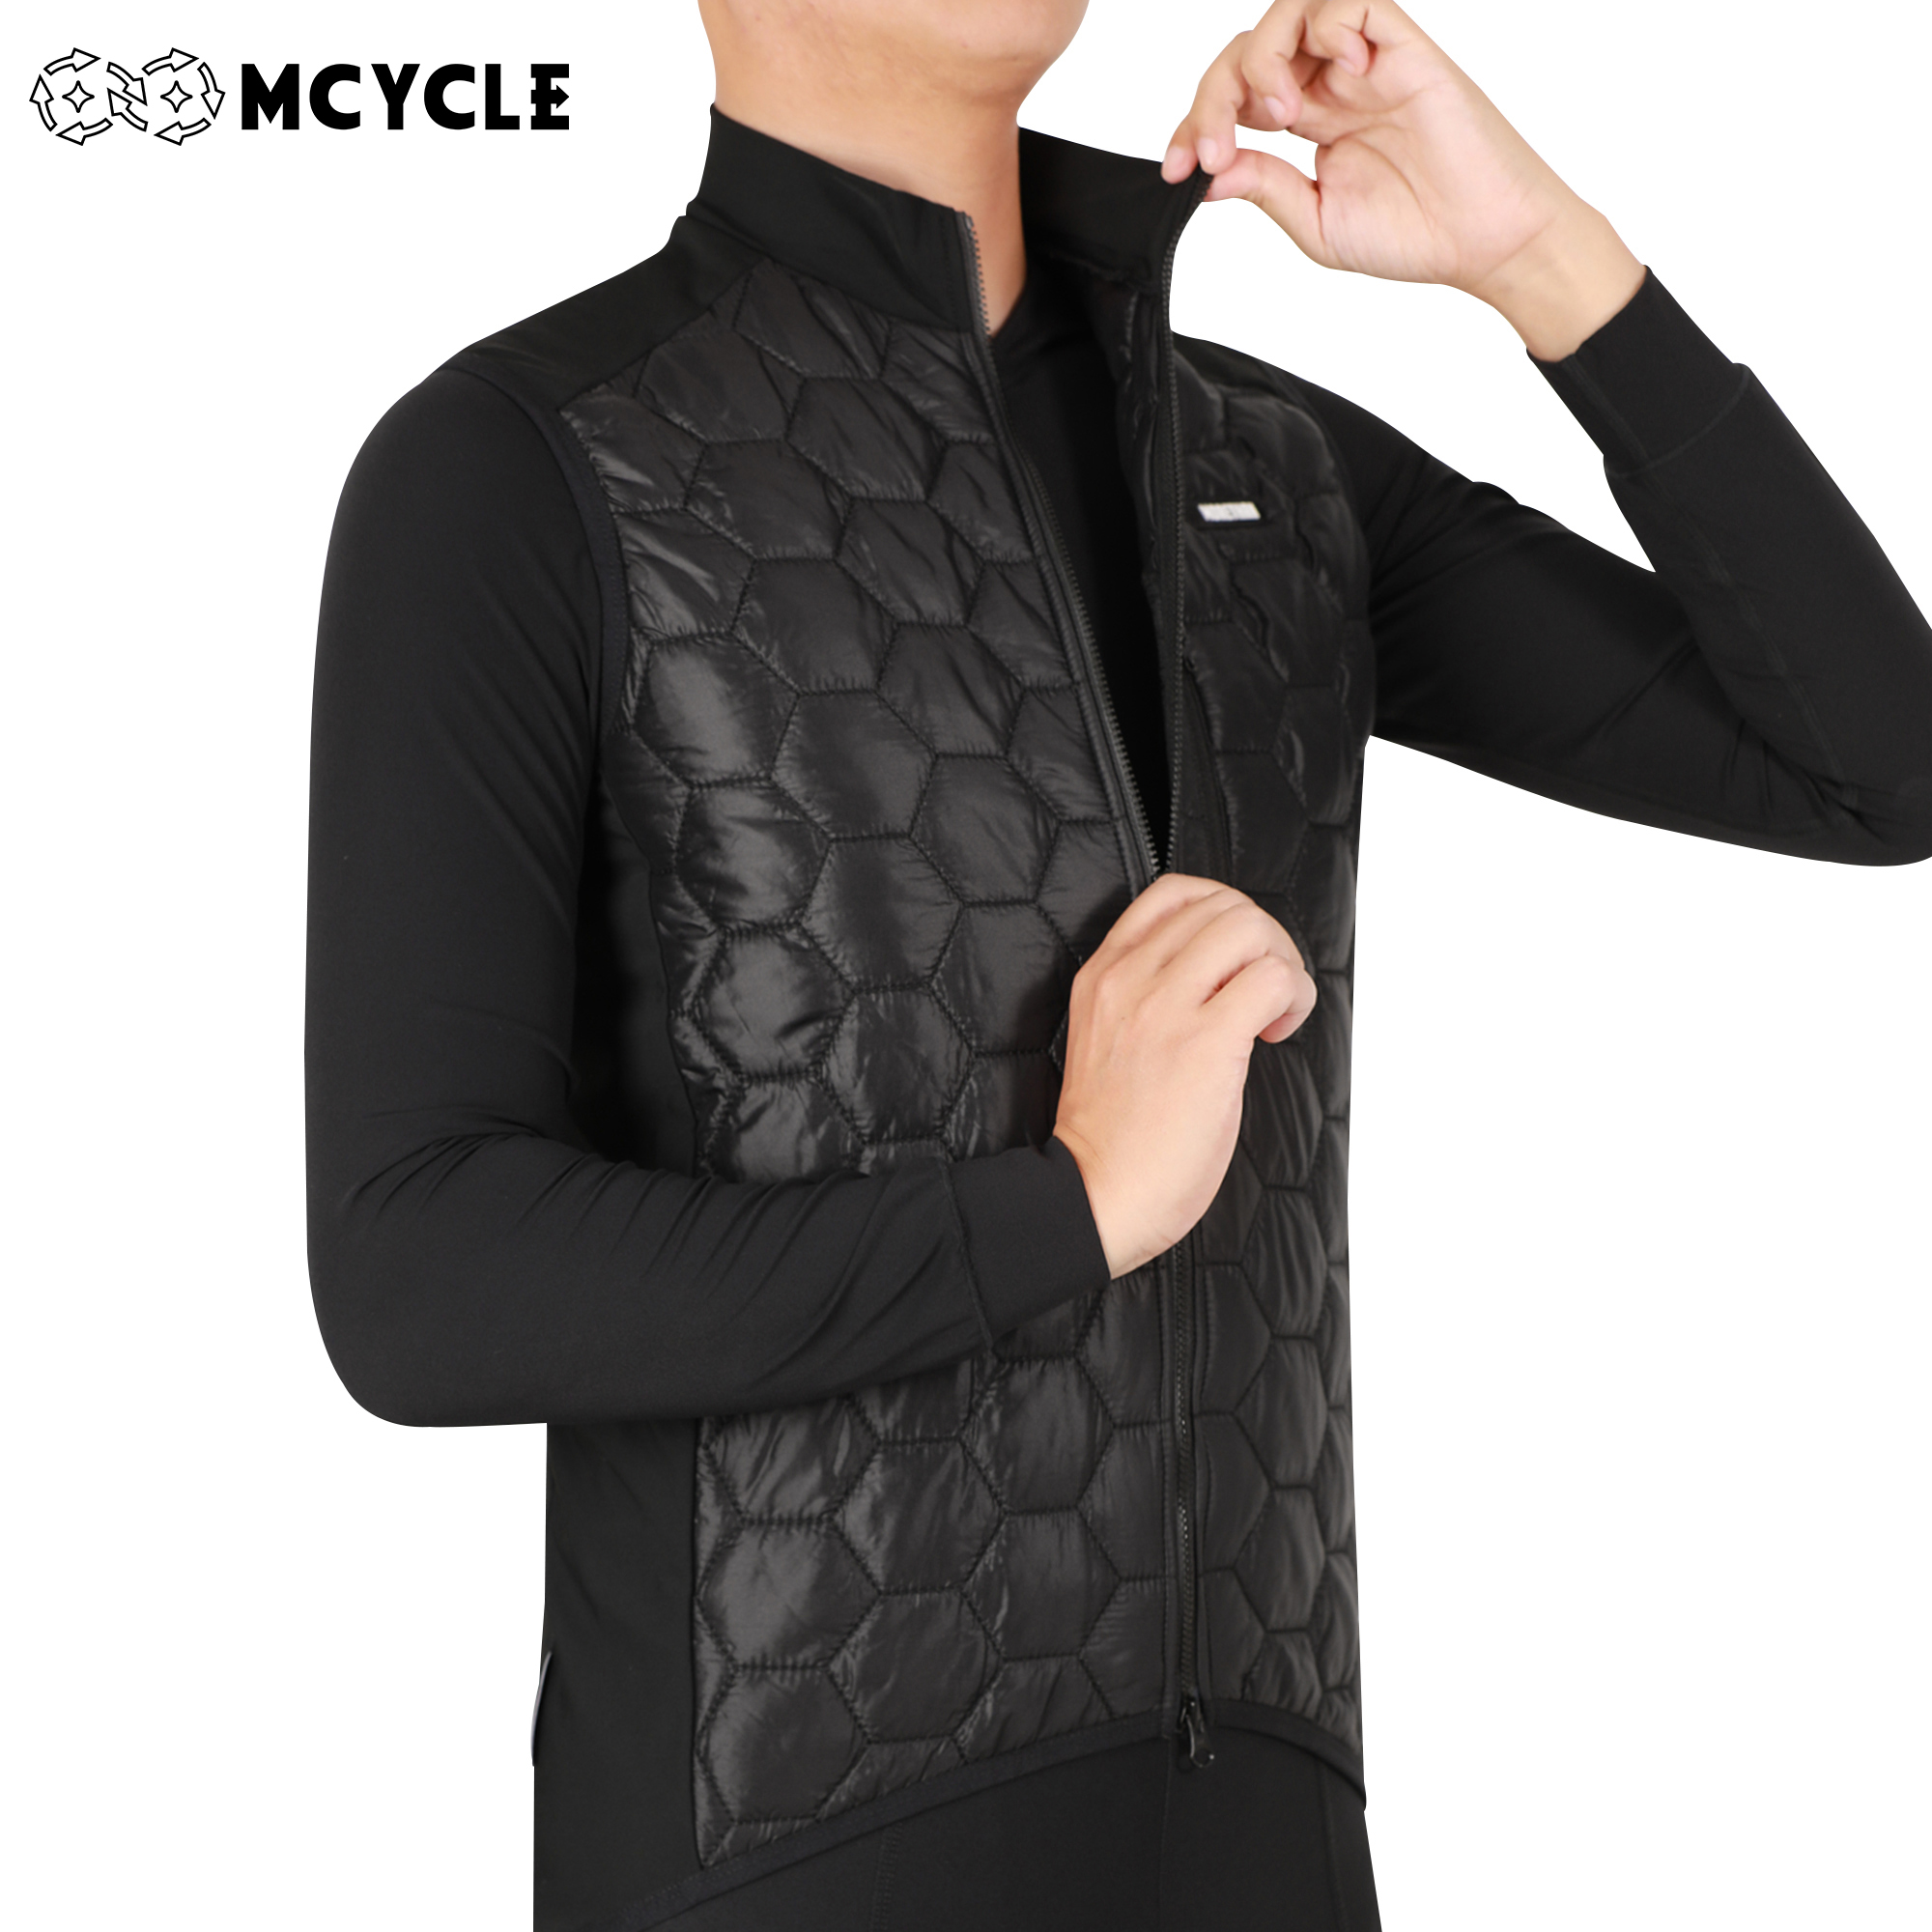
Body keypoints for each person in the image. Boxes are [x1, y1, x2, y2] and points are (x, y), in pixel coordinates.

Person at [303, 1, 1932, 1926]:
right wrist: (1066, 1208)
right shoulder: (530, 463)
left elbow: (1872, 768)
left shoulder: (1265, 469)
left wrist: (1541, 259)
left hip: (1264, 1835)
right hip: (790, 1849)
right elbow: (421, 1272)